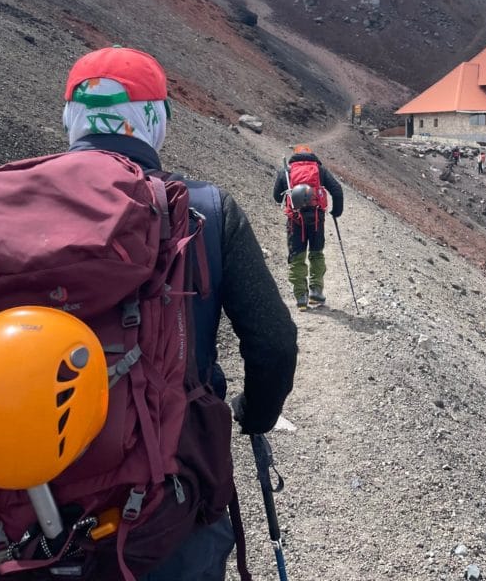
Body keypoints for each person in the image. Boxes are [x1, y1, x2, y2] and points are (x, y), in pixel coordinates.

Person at [61, 46, 299, 580]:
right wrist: (254, 414)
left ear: (70, 119)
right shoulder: (205, 212)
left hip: (28, 508)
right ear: (156, 122)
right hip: (167, 499)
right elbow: (274, 343)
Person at [273, 145, 344, 309]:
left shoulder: (287, 171)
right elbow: (337, 190)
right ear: (311, 155)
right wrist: (336, 211)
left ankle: (301, 296)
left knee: (297, 257)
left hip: (295, 220)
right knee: (316, 254)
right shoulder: (319, 170)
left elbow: (276, 196)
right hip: (317, 219)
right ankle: (316, 292)